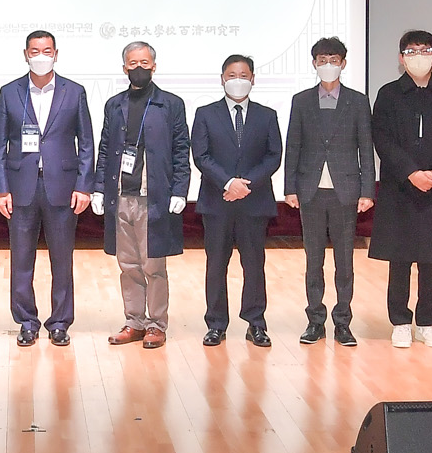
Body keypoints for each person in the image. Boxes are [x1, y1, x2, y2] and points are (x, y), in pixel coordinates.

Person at [0, 30, 95, 347]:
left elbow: (86, 143)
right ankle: (27, 321)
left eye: (47, 51)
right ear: (26, 54)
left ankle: (60, 322)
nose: (41, 56)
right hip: (20, 188)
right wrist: (1, 190)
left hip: (62, 187)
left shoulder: (74, 92)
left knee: (62, 260)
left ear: (56, 54)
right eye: (34, 51)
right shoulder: (9, 92)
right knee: (22, 260)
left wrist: (84, 186)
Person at [369, 30, 432, 350]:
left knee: (431, 258)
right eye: (411, 51)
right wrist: (410, 172)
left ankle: (428, 322)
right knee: (399, 258)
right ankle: (400, 321)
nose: (419, 57)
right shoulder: (388, 94)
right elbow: (382, 138)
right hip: (400, 186)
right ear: (401, 58)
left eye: (425, 51)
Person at [93, 42, 190, 349]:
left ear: (154, 66)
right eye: (133, 63)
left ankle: (157, 324)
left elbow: (181, 149)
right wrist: (99, 187)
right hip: (121, 195)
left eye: (144, 63)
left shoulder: (170, 104)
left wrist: (180, 190)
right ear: (124, 68)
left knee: (154, 266)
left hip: (154, 197)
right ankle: (134, 321)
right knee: (128, 265)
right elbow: (105, 148)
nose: (139, 68)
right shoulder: (114, 105)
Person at [284, 37, 375, 346]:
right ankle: (315, 320)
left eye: (333, 60)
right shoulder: (301, 101)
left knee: (344, 262)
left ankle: (343, 321)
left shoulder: (357, 101)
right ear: (314, 63)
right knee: (314, 261)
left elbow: (366, 148)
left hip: (345, 192)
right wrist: (289, 187)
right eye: (322, 60)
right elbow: (293, 146)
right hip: (310, 191)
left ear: (343, 63)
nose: (328, 65)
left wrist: (367, 190)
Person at [191, 54, 284, 347]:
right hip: (217, 200)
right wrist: (228, 183)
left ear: (253, 79)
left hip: (254, 202)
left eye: (243, 75)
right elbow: (201, 155)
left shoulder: (267, 115)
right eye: (232, 75)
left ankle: (255, 322)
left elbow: (274, 156)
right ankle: (216, 324)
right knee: (216, 264)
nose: (238, 80)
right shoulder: (205, 113)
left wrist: (246, 184)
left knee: (254, 265)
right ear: (222, 79)